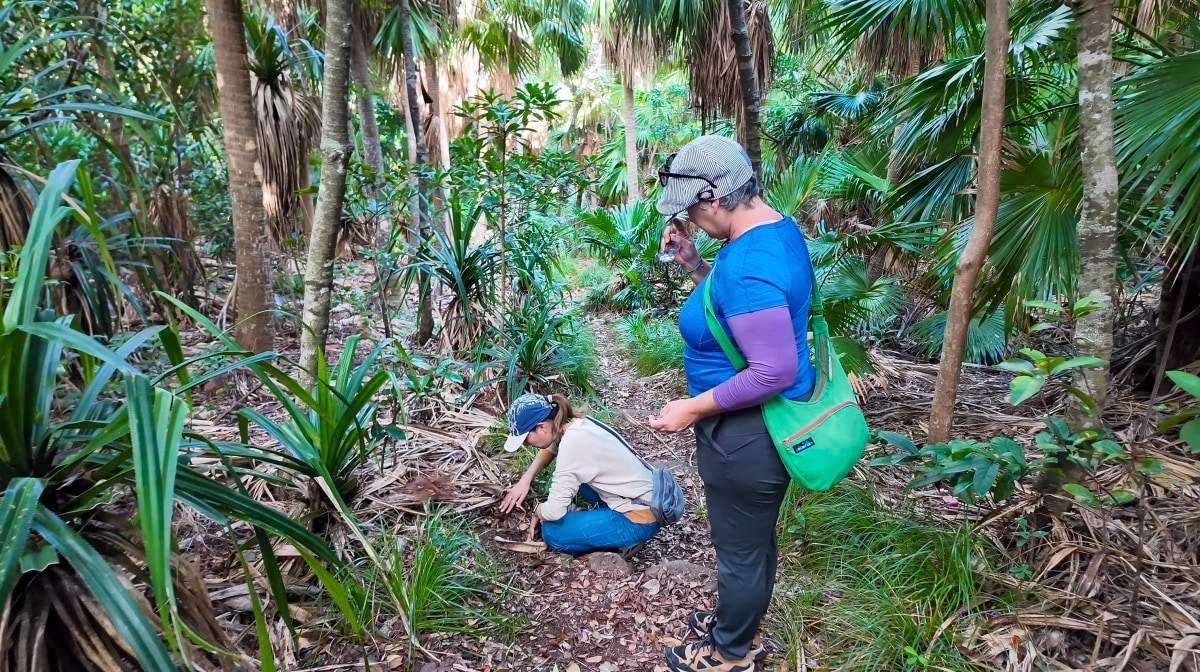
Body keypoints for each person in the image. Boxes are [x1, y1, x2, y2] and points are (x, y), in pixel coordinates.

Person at [648, 135, 816, 672]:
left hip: (748, 432)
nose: (691, 222)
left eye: (693, 212)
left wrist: (691, 409)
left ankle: (729, 653)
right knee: (752, 541)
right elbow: (735, 319)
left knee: (739, 550)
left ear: (717, 197)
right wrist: (696, 265)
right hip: (758, 428)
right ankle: (737, 624)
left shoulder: (747, 262)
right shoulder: (772, 231)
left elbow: (772, 369)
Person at [498, 393, 662, 555]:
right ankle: (599, 521)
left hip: (639, 519)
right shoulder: (574, 424)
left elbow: (554, 512)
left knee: (552, 532)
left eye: (526, 440)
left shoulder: (572, 445)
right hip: (646, 498)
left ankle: (623, 541)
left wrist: (537, 510)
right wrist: (525, 479)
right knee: (577, 481)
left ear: (542, 427)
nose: (527, 445)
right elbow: (551, 448)